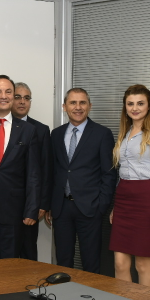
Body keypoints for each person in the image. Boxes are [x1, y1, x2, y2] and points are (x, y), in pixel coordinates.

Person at [108, 85, 150, 287]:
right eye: (130, 104)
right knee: (120, 264)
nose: (135, 108)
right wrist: (115, 206)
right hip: (123, 198)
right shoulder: (125, 133)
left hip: (147, 198)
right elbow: (122, 170)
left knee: (143, 264)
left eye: (140, 103)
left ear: (149, 105)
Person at [47, 88, 116, 273]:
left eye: (82, 103)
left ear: (89, 106)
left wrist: (101, 205)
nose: (78, 107)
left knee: (91, 262)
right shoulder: (56, 134)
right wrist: (50, 204)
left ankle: (89, 292)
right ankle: (64, 292)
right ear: (64, 107)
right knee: (63, 260)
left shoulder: (102, 134)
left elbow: (109, 173)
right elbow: (52, 170)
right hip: (61, 208)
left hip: (90, 208)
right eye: (73, 103)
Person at [0, 75, 39, 260]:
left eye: (8, 92)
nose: (3, 96)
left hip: (13, 211)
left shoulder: (28, 130)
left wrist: (31, 209)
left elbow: (33, 173)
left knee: (10, 263)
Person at [11, 81, 53, 261]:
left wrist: (43, 204)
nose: (22, 101)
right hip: (5, 204)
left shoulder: (41, 130)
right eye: (18, 97)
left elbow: (46, 168)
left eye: (27, 98)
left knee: (28, 252)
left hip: (31, 204)